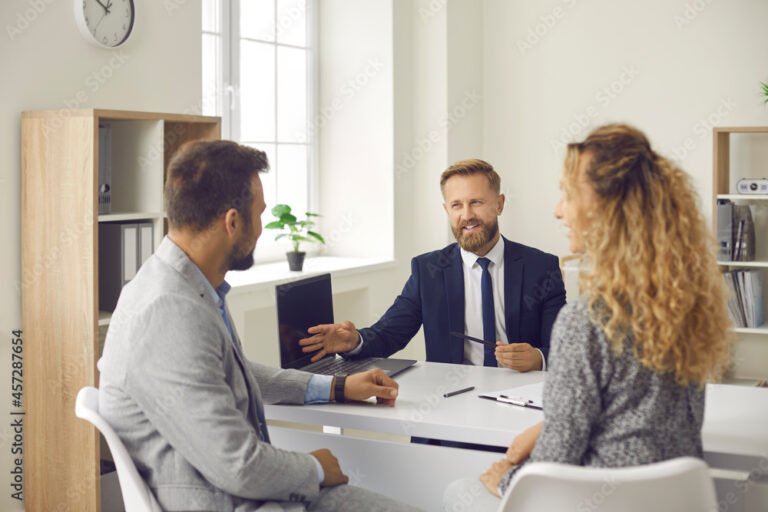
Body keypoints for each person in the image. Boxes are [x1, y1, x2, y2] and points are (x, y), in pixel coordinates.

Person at [98, 140, 420, 512]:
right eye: (260, 214)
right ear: (232, 222)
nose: (262, 228)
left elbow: (229, 370)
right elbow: (238, 467)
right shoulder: (169, 308)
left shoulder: (184, 286)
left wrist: (337, 387)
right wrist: (315, 468)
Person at [442, 124, 733, 510]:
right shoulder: (684, 303)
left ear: (605, 208)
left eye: (568, 194)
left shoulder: (587, 320)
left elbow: (554, 463)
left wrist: (505, 478)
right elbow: (636, 416)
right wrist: (549, 426)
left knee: (458, 491)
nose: (558, 210)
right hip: (672, 499)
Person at [300, 159, 566, 372]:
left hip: (521, 394)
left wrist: (538, 358)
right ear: (446, 210)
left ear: (499, 204)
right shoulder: (428, 270)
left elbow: (565, 351)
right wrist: (353, 341)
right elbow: (389, 334)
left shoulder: (541, 267)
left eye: (476, 202)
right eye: (456, 205)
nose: (467, 215)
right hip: (450, 396)